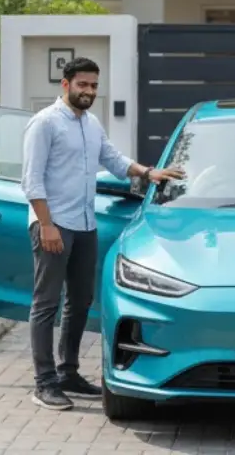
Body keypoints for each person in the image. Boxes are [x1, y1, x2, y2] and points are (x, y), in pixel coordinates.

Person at [21, 57, 185, 411]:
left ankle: (68, 373)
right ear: (65, 85)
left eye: (94, 86)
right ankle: (44, 383)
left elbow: (112, 159)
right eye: (82, 85)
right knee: (45, 305)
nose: (89, 91)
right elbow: (31, 181)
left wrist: (149, 172)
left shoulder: (91, 123)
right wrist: (46, 224)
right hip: (53, 223)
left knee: (80, 302)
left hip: (84, 224)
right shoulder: (45, 124)